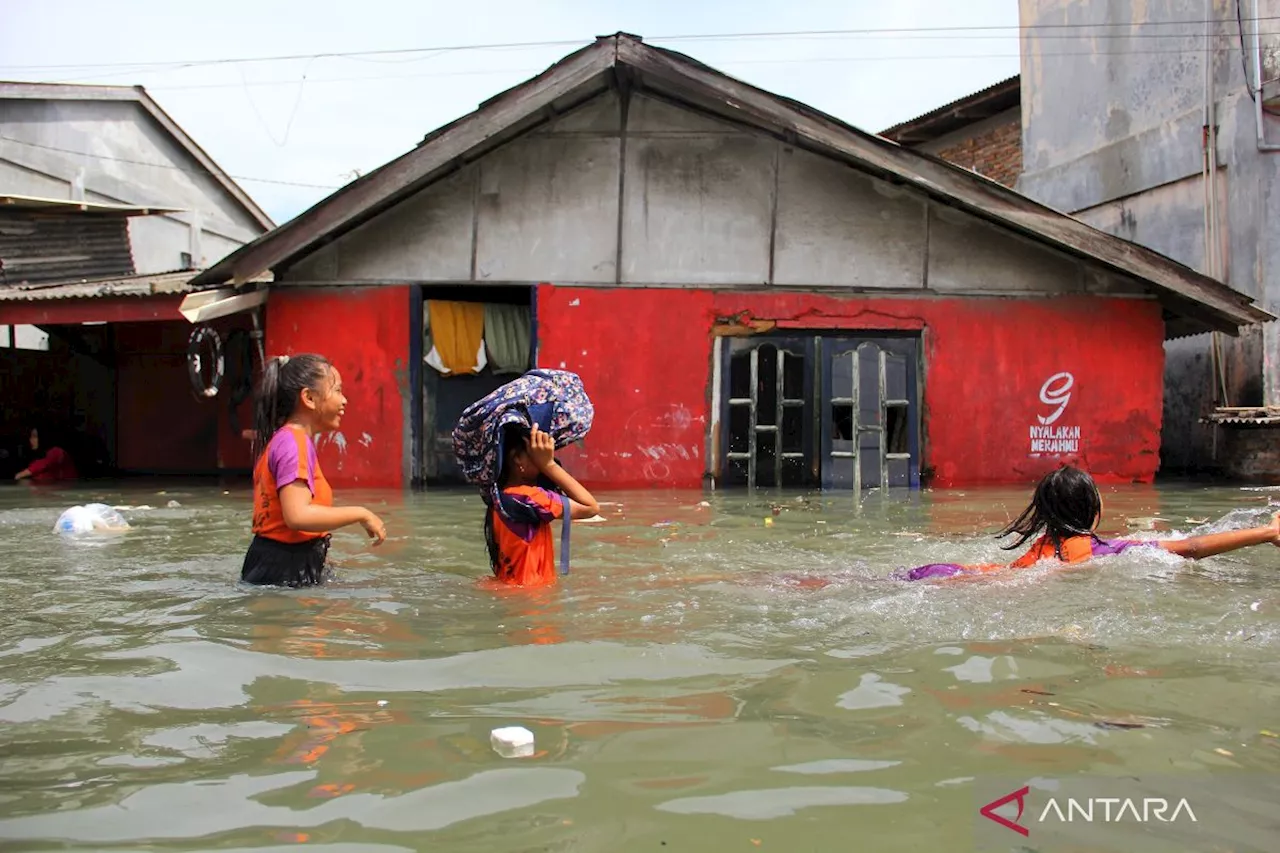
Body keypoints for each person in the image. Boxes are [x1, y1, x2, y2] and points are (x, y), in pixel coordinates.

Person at [904, 465, 1280, 581]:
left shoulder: (1041, 550)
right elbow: (1193, 548)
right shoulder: (1106, 552)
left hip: (950, 573)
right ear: (1092, 510)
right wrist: (1267, 532)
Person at [240, 354, 387, 587]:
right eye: (337, 390)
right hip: (283, 571)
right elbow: (298, 516)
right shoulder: (293, 443)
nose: (344, 400)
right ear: (309, 398)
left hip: (275, 565)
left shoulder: (285, 440)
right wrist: (362, 513)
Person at [483, 422, 599, 587]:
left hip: (509, 590)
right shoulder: (530, 498)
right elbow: (590, 507)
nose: (545, 456)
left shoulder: (498, 499)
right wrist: (548, 465)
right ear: (517, 458)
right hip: (531, 601)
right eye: (536, 453)